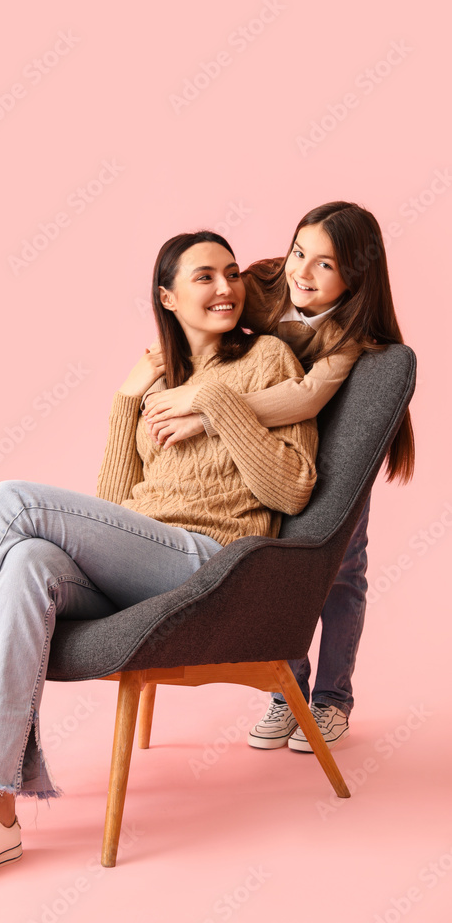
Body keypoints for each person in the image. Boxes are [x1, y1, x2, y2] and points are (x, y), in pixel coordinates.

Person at [0, 231, 318, 892]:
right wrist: (126, 404)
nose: (224, 288)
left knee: (14, 503)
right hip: (142, 560)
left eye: (230, 274)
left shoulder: (266, 357)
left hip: (209, 563)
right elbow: (111, 509)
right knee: (27, 561)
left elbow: (291, 488)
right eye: (203, 277)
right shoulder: (157, 384)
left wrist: (216, 403)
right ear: (166, 297)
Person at [142, 202, 415, 753]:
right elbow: (212, 318)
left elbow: (308, 395)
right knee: (274, 560)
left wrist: (206, 405)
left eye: (326, 266)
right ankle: (284, 692)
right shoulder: (264, 282)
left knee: (340, 569)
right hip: (265, 440)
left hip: (334, 436)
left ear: (355, 277)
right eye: (299, 253)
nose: (302, 274)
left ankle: (332, 699)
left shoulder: (351, 332)